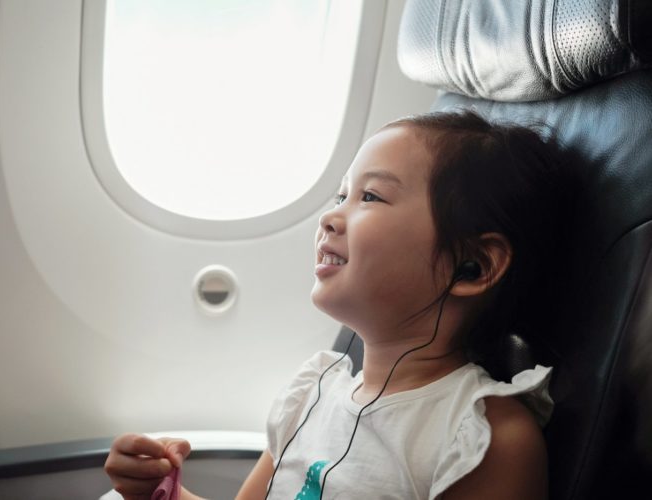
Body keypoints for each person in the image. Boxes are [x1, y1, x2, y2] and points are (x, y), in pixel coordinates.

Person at [104, 109, 572, 499]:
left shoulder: (480, 437)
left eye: (370, 196)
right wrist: (161, 490)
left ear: (472, 264)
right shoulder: (313, 392)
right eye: (340, 195)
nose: (330, 216)